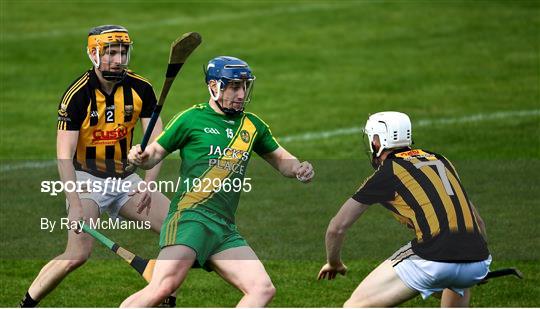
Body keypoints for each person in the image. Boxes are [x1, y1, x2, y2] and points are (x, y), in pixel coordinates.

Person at [120, 56, 314, 307]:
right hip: (191, 219)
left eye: (244, 86)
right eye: (234, 86)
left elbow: (282, 160)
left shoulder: (252, 126)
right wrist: (140, 155)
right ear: (214, 86)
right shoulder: (191, 118)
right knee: (162, 288)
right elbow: (153, 155)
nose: (241, 93)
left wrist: (299, 168)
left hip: (223, 229)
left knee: (262, 289)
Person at [19, 25, 173, 307]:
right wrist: (74, 204)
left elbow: (157, 143)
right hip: (86, 179)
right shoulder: (77, 95)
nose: (117, 59)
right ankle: (26, 304)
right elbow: (63, 154)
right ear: (93, 54)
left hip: (126, 180)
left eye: (122, 52)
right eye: (110, 52)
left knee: (178, 230)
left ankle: (165, 297)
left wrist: (150, 183)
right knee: (76, 254)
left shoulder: (141, 88)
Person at [317, 111, 491, 307]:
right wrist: (474, 261)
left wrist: (334, 262)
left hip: (433, 259)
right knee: (455, 282)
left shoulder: (388, 172)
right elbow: (477, 221)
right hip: (478, 259)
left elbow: (336, 227)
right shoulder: (441, 160)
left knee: (354, 306)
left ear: (377, 141)